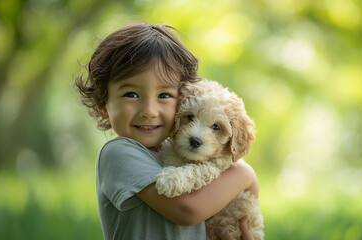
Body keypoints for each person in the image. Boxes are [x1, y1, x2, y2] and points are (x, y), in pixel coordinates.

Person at [75, 22, 259, 240]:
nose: (149, 111)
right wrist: (245, 174)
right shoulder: (118, 153)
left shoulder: (177, 152)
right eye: (131, 94)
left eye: (164, 96)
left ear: (181, 101)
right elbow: (186, 211)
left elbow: (246, 201)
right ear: (103, 106)